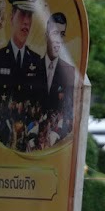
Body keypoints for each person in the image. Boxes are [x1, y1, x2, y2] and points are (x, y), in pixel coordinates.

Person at [0, 0, 47, 150]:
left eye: (30, 15)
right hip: (1, 139)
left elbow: (40, 104)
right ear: (12, 17)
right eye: (22, 14)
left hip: (29, 142)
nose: (26, 21)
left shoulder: (36, 61)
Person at [41, 11, 76, 145]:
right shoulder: (31, 67)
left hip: (57, 142)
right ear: (46, 35)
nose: (58, 41)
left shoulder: (69, 72)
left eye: (62, 35)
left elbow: (70, 110)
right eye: (55, 33)